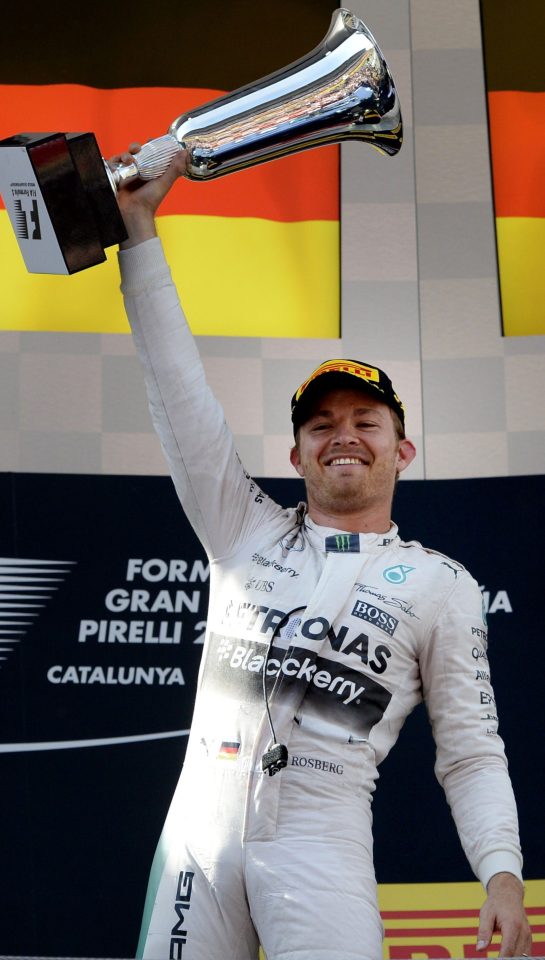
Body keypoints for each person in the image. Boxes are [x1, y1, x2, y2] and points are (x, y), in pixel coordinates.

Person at [113, 147, 532, 960]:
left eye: (364, 421)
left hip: (319, 837)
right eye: (320, 424)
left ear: (401, 451)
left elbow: (471, 749)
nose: (343, 433)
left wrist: (502, 874)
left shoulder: (443, 586)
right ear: (299, 453)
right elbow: (176, 390)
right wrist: (137, 230)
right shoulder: (242, 527)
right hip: (196, 841)